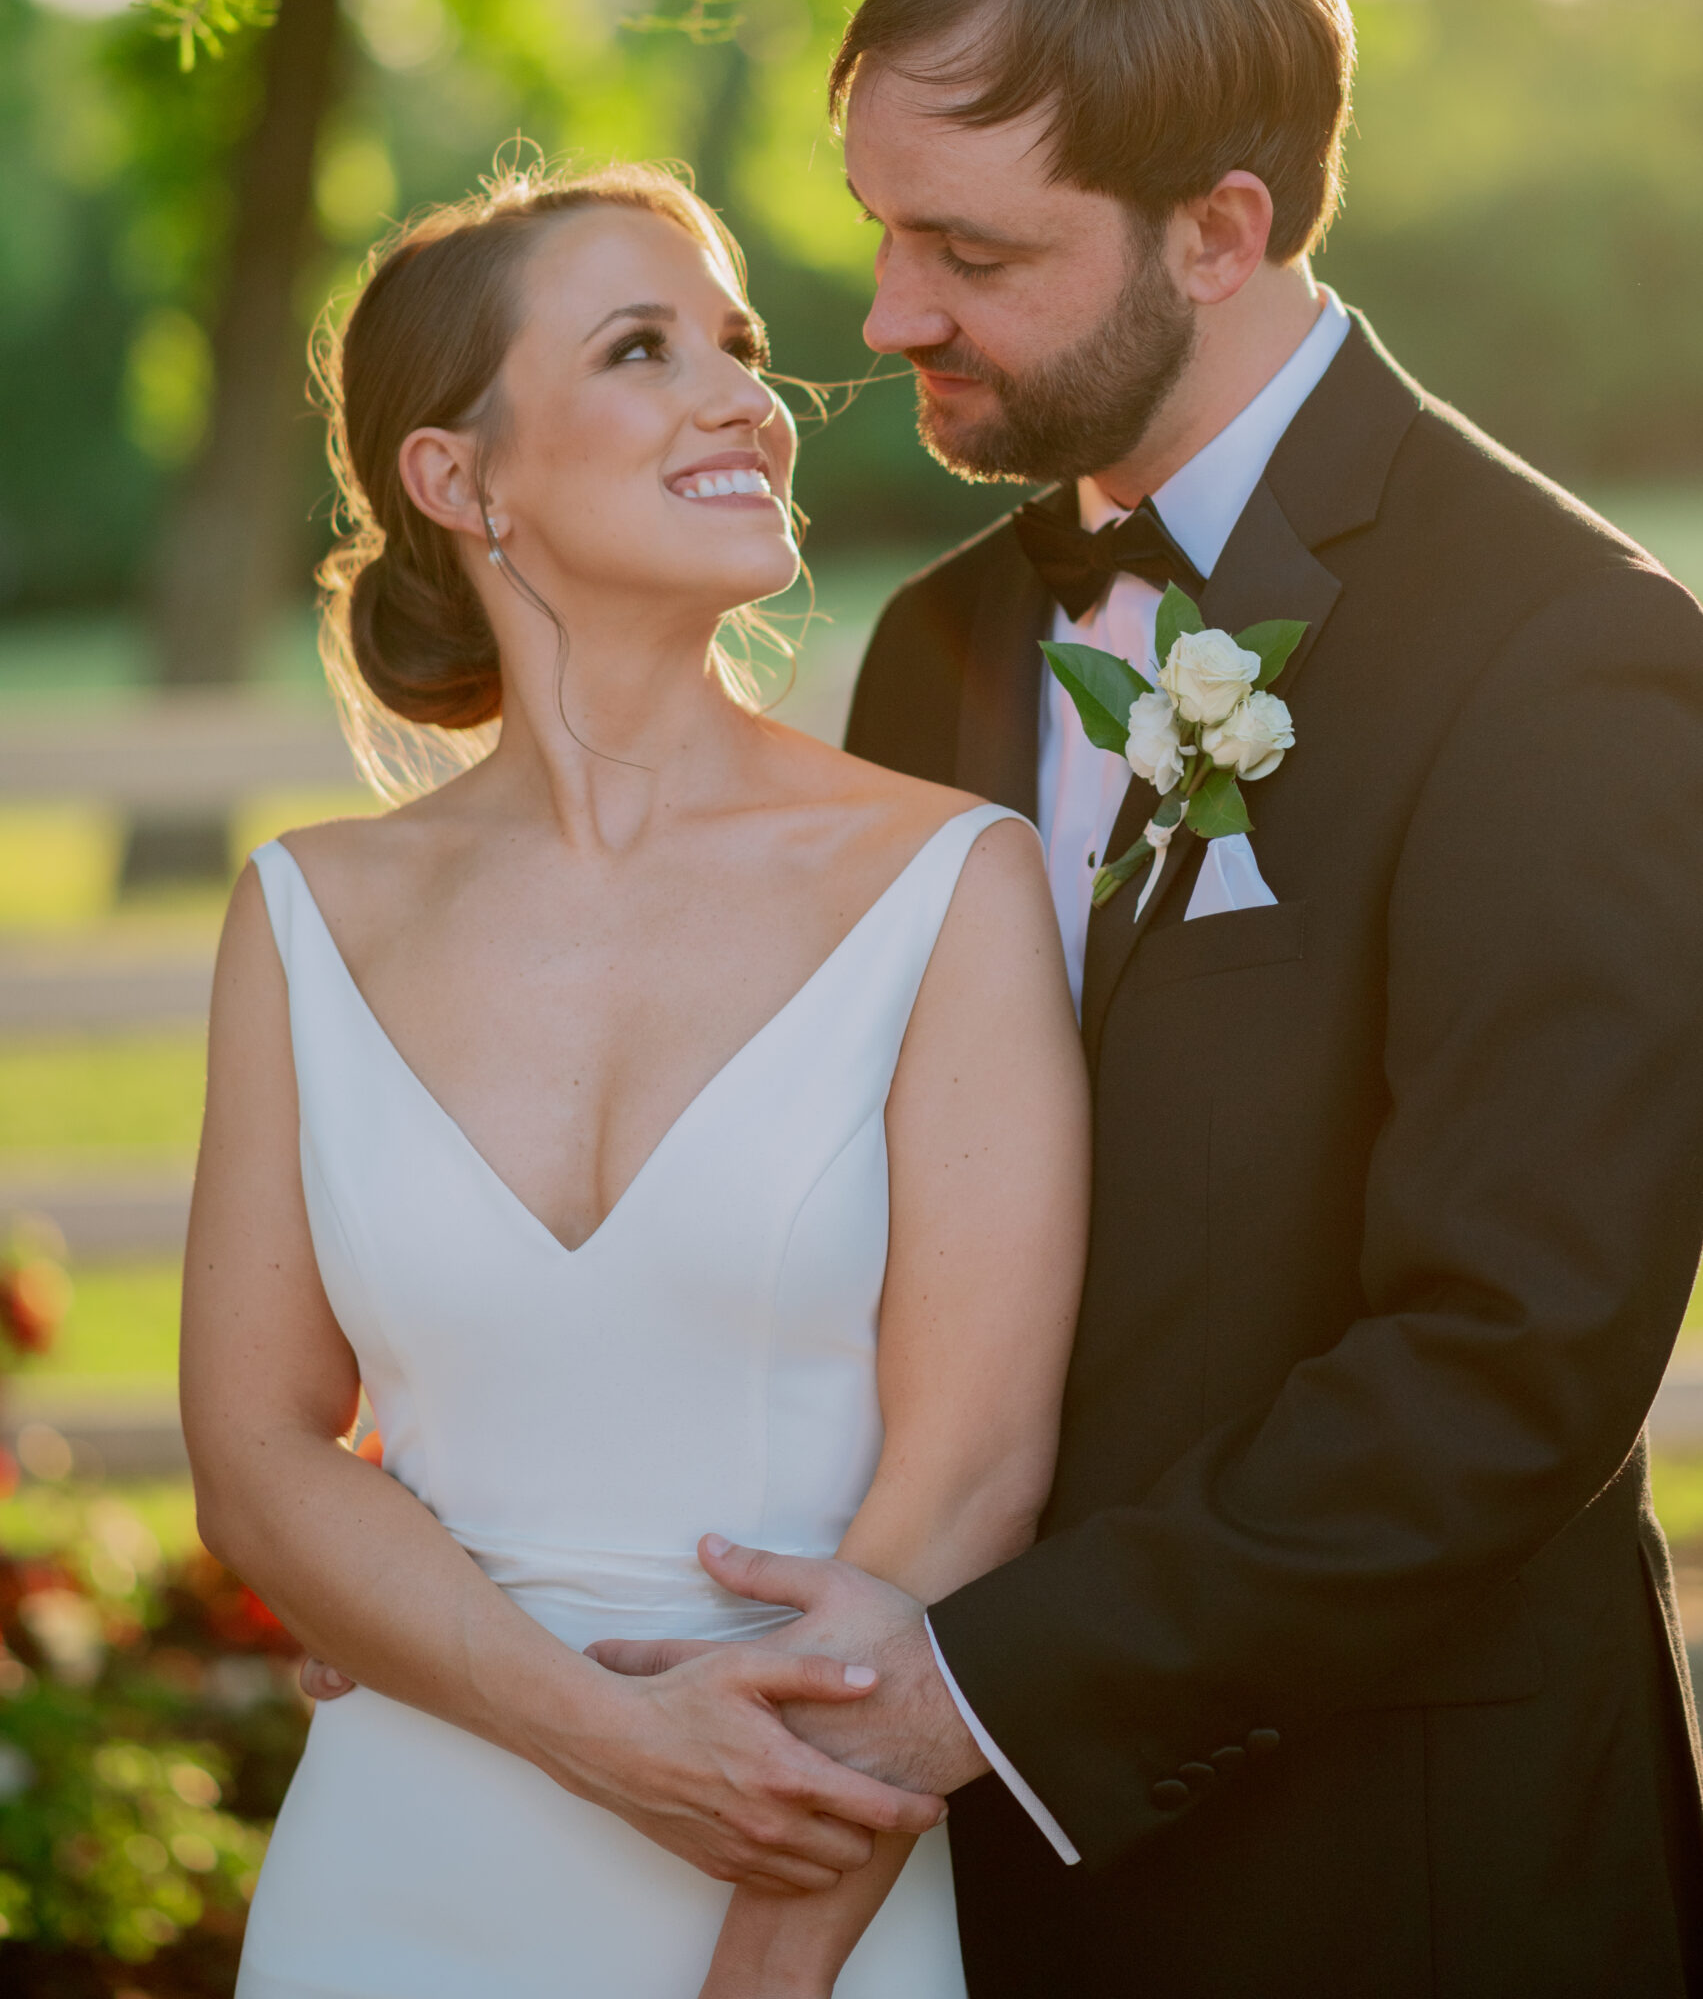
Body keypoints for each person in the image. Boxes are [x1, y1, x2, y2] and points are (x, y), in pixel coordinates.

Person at [588, 0, 1703, 1995]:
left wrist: (991, 1683)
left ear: (1222, 228)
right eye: (881, 229)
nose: (890, 312)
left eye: (971, 250)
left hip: (1410, 1861)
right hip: (983, 1878)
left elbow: (1510, 1360)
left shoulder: (1572, 653)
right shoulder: (936, 643)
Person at [178, 160, 1090, 1999]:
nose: (745, 395)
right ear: (461, 478)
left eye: (737, 347)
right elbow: (260, 1451)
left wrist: (768, 1955)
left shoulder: (946, 886)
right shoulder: (304, 916)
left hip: (802, 1856)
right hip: (397, 1879)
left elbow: (973, 1469)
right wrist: (597, 1737)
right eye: (641, 348)